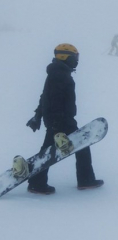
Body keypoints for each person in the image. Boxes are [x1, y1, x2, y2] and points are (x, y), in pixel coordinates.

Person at [26, 43, 104, 194]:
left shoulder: (58, 73)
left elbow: (44, 97)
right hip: (61, 121)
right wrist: (55, 124)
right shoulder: (60, 75)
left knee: (49, 151)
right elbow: (53, 99)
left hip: (59, 120)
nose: (77, 60)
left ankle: (37, 182)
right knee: (81, 144)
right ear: (65, 56)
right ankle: (85, 179)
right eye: (75, 57)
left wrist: (38, 115)